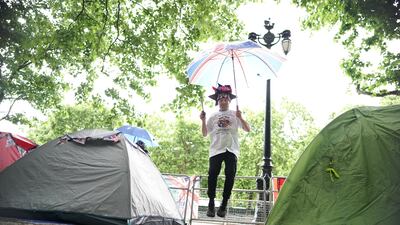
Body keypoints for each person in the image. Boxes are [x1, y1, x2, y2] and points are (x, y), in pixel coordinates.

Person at [200, 84, 250, 217]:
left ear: (229, 100)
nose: (223, 100)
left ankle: (224, 203)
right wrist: (203, 120)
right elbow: (205, 133)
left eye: (226, 98)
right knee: (212, 175)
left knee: (230, 174)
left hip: (231, 149)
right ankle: (211, 203)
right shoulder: (213, 116)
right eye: (221, 98)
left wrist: (241, 117)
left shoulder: (235, 114)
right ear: (218, 101)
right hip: (216, 149)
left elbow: (247, 129)